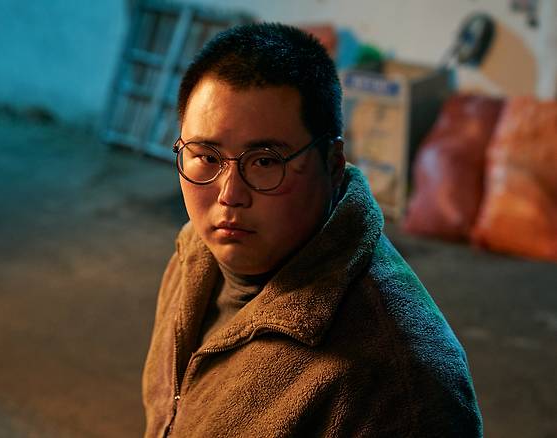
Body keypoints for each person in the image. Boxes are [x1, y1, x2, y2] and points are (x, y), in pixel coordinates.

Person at [142, 22, 483, 437]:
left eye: (265, 161)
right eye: (207, 157)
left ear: (332, 164)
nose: (230, 195)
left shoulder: (399, 381)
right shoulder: (193, 255)